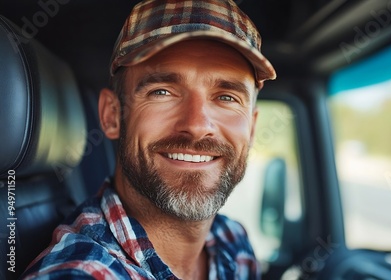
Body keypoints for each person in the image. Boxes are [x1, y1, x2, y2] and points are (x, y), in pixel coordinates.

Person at [21, 0, 276, 279]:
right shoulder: (82, 272)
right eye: (162, 92)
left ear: (251, 128)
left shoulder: (231, 240)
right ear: (112, 115)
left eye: (227, 97)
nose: (197, 126)